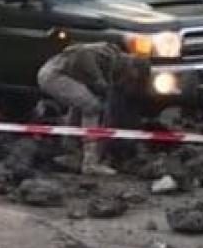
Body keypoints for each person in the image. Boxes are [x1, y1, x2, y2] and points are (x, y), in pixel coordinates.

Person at [37, 42, 150, 176]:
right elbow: (81, 52)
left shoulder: (114, 67)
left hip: (54, 73)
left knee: (80, 105)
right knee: (92, 106)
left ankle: (73, 152)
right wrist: (98, 79)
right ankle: (90, 162)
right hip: (55, 74)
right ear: (133, 68)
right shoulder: (109, 54)